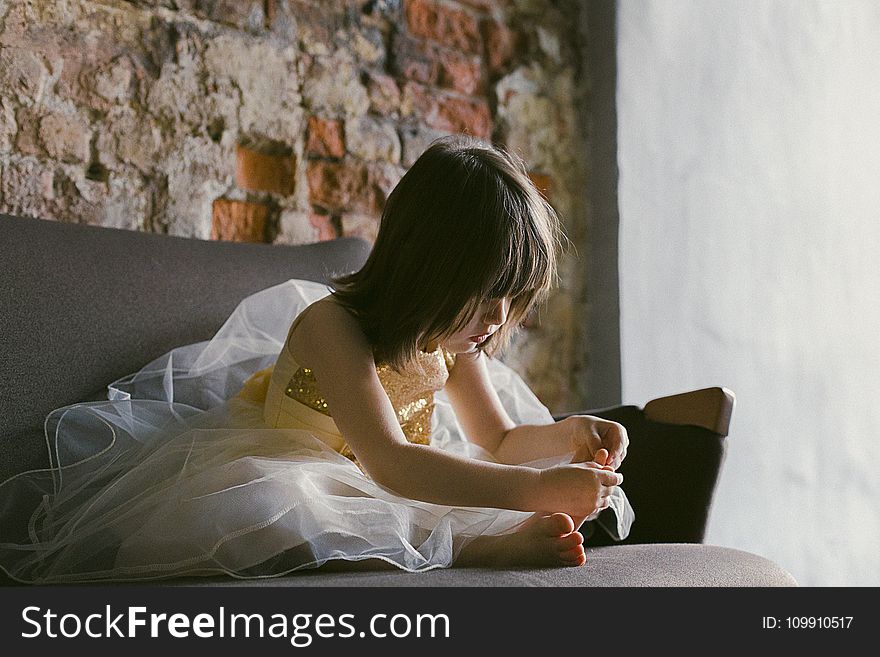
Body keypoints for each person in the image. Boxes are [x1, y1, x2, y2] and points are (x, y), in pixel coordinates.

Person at [0, 136, 632, 583]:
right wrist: (534, 489)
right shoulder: (332, 325)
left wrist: (565, 435)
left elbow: (497, 437)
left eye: (512, 303)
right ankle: (469, 546)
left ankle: (458, 537)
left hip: (388, 484)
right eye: (485, 296)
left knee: (439, 487)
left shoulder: (450, 342)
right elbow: (391, 462)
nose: (497, 322)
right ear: (428, 269)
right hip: (298, 468)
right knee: (280, 512)